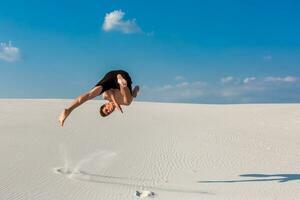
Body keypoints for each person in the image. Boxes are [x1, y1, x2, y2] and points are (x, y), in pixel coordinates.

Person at [58, 70, 139, 127]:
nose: (109, 111)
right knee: (128, 101)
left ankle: (69, 109)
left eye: (106, 110)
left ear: (105, 104)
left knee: (90, 95)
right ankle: (123, 83)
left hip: (111, 77)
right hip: (124, 79)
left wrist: (115, 102)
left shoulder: (105, 97)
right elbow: (134, 91)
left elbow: (110, 90)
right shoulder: (123, 102)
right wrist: (135, 90)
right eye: (108, 113)